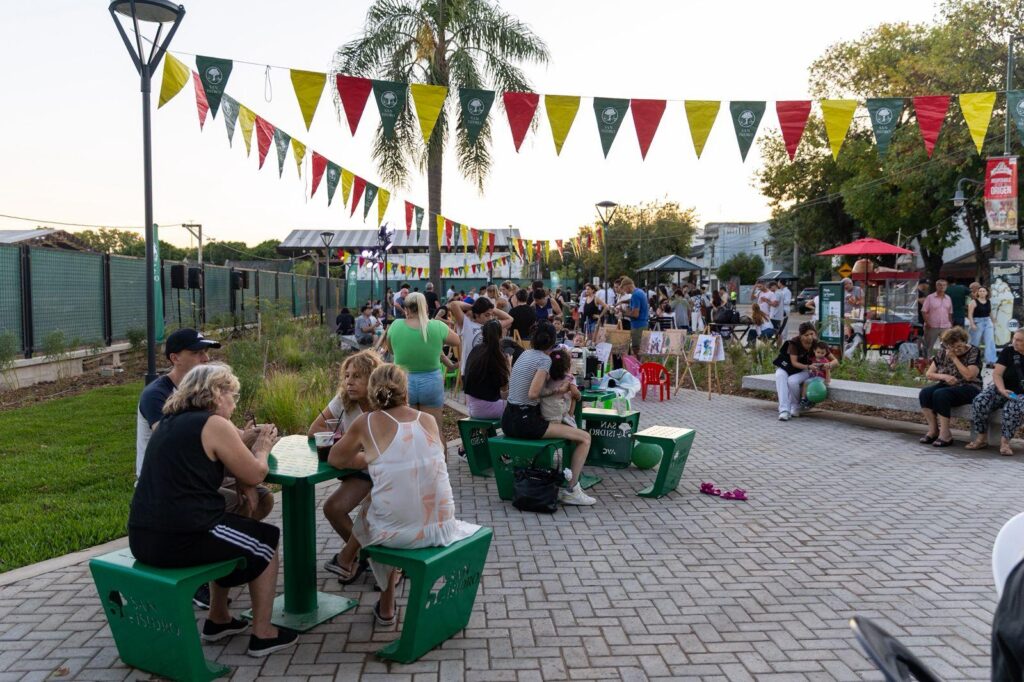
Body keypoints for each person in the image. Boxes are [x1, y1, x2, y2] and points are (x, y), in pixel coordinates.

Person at [129, 363, 298, 656]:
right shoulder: (213, 424)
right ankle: (264, 634)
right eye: (233, 395)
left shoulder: (171, 422)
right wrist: (262, 447)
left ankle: (218, 619)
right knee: (266, 542)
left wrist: (244, 476)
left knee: (231, 528)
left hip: (143, 538)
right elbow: (256, 473)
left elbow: (209, 466)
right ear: (217, 393)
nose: (235, 403)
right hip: (180, 537)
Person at [328, 364, 481, 626]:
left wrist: (368, 458)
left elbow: (335, 459)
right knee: (384, 504)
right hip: (442, 528)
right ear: (405, 391)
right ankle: (359, 575)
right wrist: (376, 458)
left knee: (376, 509)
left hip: (397, 535)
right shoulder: (427, 420)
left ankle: (351, 564)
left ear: (373, 392)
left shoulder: (367, 422)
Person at [136, 329, 273, 609]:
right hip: (172, 509)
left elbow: (224, 446)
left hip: (148, 523)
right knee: (264, 539)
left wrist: (243, 465)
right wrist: (261, 449)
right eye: (197, 353)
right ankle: (219, 574)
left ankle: (221, 600)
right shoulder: (158, 396)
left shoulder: (181, 413)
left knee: (258, 499)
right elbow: (249, 468)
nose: (205, 358)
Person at [308, 350, 383, 582]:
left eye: (357, 376)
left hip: (388, 472)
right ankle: (367, 558)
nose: (349, 381)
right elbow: (314, 430)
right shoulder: (343, 401)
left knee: (375, 506)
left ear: (372, 379)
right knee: (333, 508)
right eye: (347, 375)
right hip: (362, 469)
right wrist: (345, 444)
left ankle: (379, 563)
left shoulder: (386, 404)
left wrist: (352, 452)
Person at [501, 322, 595, 505]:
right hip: (526, 422)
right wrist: (557, 390)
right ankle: (571, 490)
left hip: (508, 419)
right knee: (584, 438)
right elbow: (533, 393)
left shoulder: (525, 354)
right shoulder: (544, 360)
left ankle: (563, 481)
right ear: (553, 341)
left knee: (570, 432)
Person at [381, 292, 461, 449]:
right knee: (435, 431)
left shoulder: (396, 325)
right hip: (431, 382)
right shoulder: (436, 326)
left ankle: (413, 463)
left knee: (408, 432)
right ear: (425, 307)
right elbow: (456, 340)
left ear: (406, 308)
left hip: (403, 383)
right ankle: (441, 463)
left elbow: (391, 350)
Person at [918, 327, 981, 447]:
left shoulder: (974, 351)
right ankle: (933, 430)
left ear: (965, 341)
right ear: (947, 346)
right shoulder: (943, 351)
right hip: (948, 385)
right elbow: (929, 374)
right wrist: (944, 377)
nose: (956, 349)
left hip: (970, 387)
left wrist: (954, 358)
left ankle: (945, 434)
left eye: (959, 346)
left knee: (941, 394)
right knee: (925, 393)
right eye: (952, 347)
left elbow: (969, 376)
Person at [967, 328, 1024, 456]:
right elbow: (997, 374)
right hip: (1003, 387)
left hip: (1021, 394)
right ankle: (981, 438)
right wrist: (1002, 390)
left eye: (1019, 340)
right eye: (1014, 338)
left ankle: (1005, 443)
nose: (1014, 342)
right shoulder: (1008, 351)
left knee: (1013, 407)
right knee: (980, 401)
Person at [448, 296, 512, 373]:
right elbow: (454, 304)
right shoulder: (467, 324)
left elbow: (510, 319)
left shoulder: (492, 325)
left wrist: (492, 309)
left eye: (492, 315)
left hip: (487, 370)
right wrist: (473, 307)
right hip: (470, 371)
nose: (490, 318)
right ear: (477, 315)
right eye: (487, 315)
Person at [463, 320, 510, 419]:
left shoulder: (476, 350)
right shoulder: (496, 354)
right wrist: (508, 366)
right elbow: (504, 389)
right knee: (521, 406)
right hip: (487, 409)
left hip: (471, 406)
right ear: (500, 334)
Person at [773, 322, 818, 421]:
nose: (810, 337)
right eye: (806, 335)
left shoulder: (816, 343)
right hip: (789, 367)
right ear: (800, 335)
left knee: (792, 381)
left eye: (811, 334)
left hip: (805, 370)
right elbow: (794, 363)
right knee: (780, 375)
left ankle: (795, 406)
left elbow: (829, 357)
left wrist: (829, 364)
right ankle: (784, 410)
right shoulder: (794, 343)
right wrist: (808, 366)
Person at [540, 348, 579, 427]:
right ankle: (570, 416)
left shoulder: (549, 377)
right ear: (568, 365)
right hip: (558, 409)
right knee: (573, 396)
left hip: (545, 410)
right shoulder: (570, 378)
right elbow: (575, 393)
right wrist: (578, 396)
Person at [799, 341, 837, 408]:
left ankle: (810, 401)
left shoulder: (825, 361)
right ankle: (803, 398)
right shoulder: (812, 360)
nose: (820, 354)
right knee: (806, 382)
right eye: (818, 352)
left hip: (821, 378)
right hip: (812, 377)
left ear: (826, 353)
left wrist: (827, 380)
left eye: (822, 353)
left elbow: (827, 371)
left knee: (814, 386)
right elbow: (809, 368)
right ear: (814, 351)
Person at [921, 279, 953, 353]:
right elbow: (923, 311)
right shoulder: (930, 297)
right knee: (928, 347)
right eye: (940, 285)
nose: (942, 287)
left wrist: (951, 324)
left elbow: (950, 312)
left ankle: (943, 359)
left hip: (945, 326)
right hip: (932, 326)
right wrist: (927, 323)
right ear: (936, 286)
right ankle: (926, 359)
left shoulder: (948, 298)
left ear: (946, 286)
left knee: (946, 346)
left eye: (944, 285)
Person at [967, 285, 997, 366]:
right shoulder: (973, 302)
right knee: (974, 343)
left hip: (988, 322)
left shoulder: (988, 301)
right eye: (980, 291)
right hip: (977, 322)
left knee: (990, 342)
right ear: (978, 293)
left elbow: (990, 312)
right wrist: (972, 324)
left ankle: (991, 361)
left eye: (984, 291)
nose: (982, 292)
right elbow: (970, 314)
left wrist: (993, 322)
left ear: (987, 293)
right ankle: (972, 360)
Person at [620, 277, 649, 354]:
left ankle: (638, 362)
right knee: (641, 349)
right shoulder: (640, 291)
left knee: (636, 349)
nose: (624, 291)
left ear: (628, 286)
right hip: (643, 324)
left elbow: (635, 314)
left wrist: (623, 313)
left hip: (638, 326)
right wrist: (622, 302)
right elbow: (633, 301)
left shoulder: (635, 295)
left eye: (623, 288)